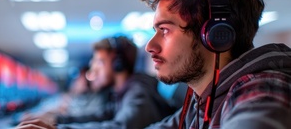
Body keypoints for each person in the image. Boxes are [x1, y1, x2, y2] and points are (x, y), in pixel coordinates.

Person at [140, 0, 291, 128]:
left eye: (165, 30)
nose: (149, 46)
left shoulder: (263, 91)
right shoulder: (203, 101)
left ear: (215, 35)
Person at [17, 36, 176, 129]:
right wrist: (55, 120)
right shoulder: (120, 92)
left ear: (117, 64)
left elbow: (121, 127)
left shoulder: (139, 91)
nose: (93, 69)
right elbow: (100, 116)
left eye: (99, 62)